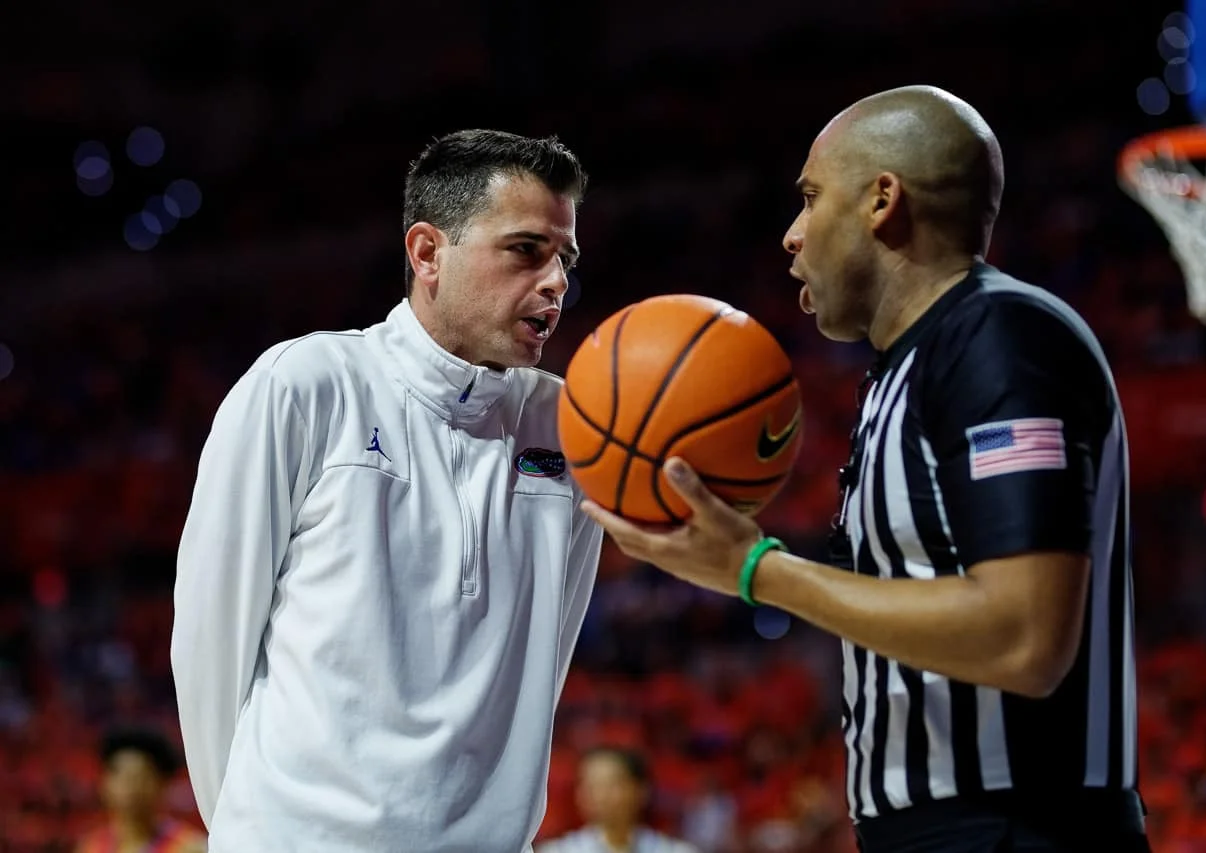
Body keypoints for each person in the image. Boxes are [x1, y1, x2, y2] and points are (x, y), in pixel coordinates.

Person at [582, 85, 1149, 851]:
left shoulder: (997, 336)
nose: (790, 234)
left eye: (811, 198)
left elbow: (1025, 635)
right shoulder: (901, 370)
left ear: (883, 200)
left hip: (1019, 830)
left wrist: (756, 568)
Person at [171, 130, 604, 852]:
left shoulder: (570, 426)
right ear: (428, 252)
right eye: (527, 250)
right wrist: (255, 826)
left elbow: (546, 660)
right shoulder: (306, 384)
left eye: (565, 257)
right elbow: (211, 636)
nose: (557, 279)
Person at [537, 747, 700, 853]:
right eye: (590, 785)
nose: (600, 795)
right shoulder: (557, 851)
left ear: (641, 791)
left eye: (611, 784)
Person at [77, 726, 207, 853]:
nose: (131, 785)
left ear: (162, 784)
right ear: (104, 784)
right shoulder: (90, 847)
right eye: (121, 775)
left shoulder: (190, 847)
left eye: (141, 776)